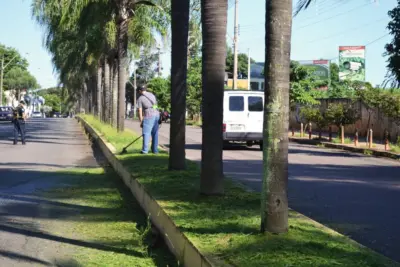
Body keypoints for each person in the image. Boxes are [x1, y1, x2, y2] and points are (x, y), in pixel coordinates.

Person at [136, 85, 160, 154]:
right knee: (155, 133)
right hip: (156, 114)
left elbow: (140, 110)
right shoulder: (152, 95)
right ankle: (155, 150)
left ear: (140, 91)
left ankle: (145, 150)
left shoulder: (140, 98)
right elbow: (155, 105)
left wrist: (141, 121)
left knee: (146, 133)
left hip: (149, 115)